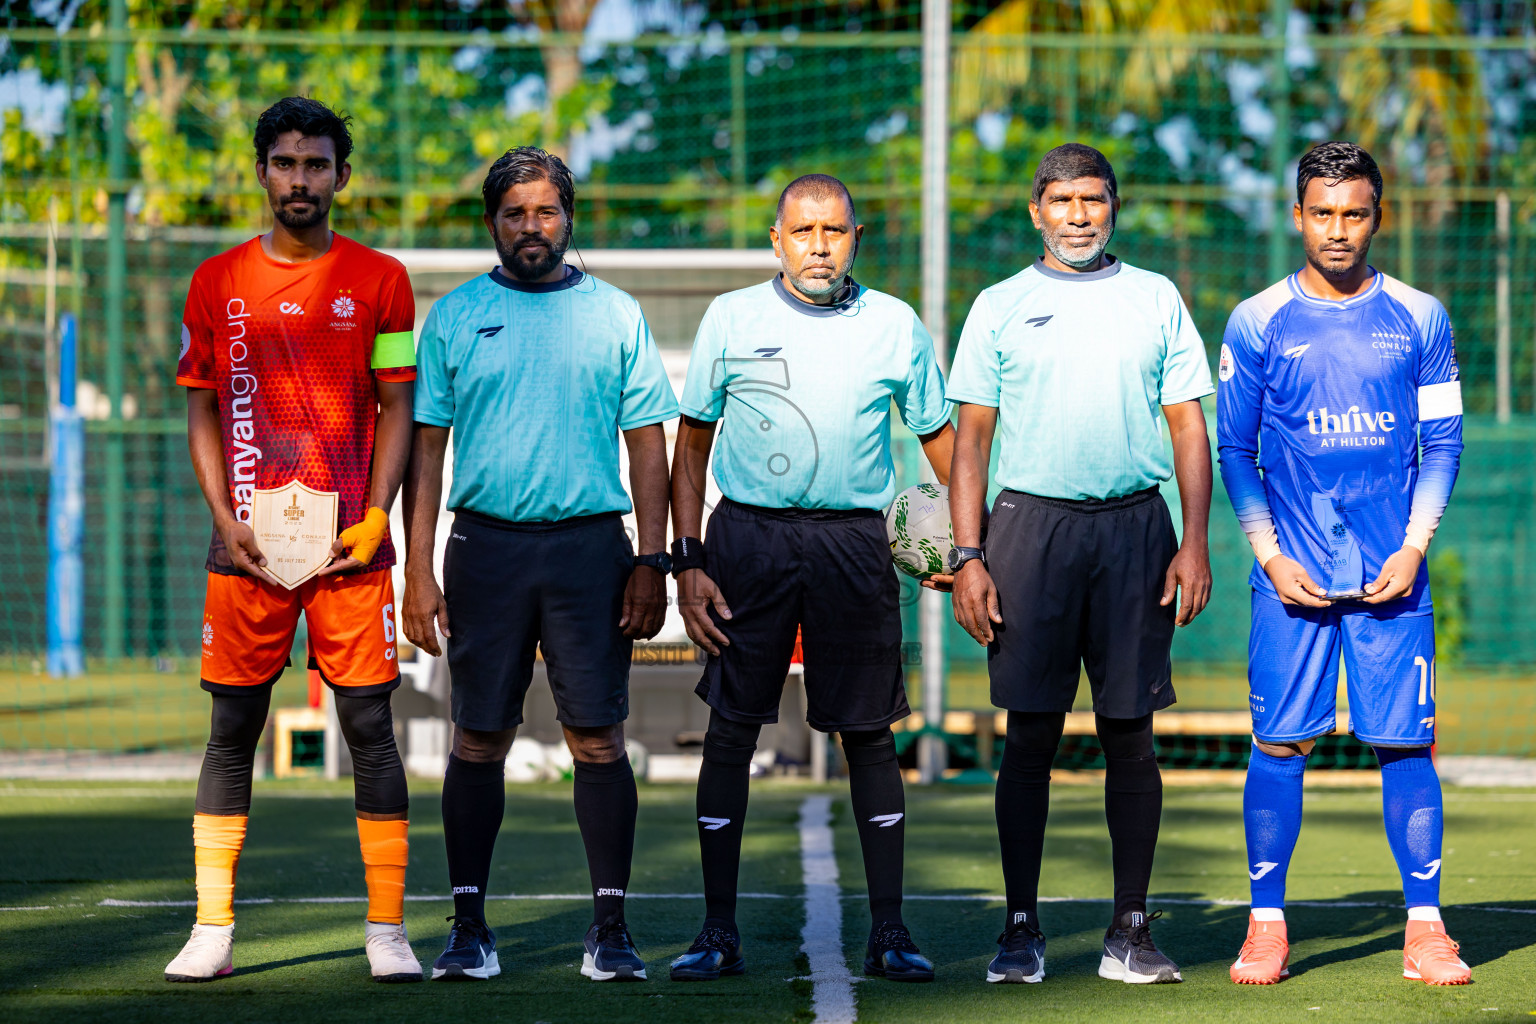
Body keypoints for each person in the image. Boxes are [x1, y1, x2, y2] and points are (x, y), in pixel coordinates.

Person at [668, 174, 953, 984]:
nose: (819, 246)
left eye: (834, 231)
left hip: (855, 544)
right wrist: (687, 558)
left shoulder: (895, 324)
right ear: (776, 240)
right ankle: (716, 932)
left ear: (856, 236)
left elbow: (940, 441)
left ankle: (890, 931)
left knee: (868, 731)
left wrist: (967, 542)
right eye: (803, 231)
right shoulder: (731, 317)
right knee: (731, 727)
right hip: (746, 540)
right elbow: (691, 445)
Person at [401, 147, 677, 983]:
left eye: (546, 210)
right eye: (515, 213)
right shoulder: (452, 317)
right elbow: (427, 450)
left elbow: (649, 448)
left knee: (597, 738)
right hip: (484, 549)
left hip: (592, 549)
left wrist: (652, 562)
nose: (532, 226)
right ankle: (469, 928)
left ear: (569, 218)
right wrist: (417, 567)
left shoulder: (616, 315)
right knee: (478, 737)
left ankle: (611, 929)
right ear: (493, 223)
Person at [946, 143, 1213, 985]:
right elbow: (972, 442)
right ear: (1036, 211)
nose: (1077, 215)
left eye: (1092, 200)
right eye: (1060, 200)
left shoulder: (1155, 298)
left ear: (1113, 207)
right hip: (1029, 532)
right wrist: (968, 556)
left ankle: (1129, 930)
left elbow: (1187, 428)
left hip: (1138, 532)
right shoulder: (999, 304)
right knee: (1029, 736)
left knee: (1131, 735)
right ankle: (1020, 931)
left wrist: (1195, 540)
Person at [167, 97, 420, 983]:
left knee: (370, 730)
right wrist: (225, 517)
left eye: (317, 164)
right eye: (286, 163)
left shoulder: (384, 279)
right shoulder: (215, 282)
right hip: (245, 547)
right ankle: (211, 928)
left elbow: (399, 406)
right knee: (231, 731)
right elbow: (200, 408)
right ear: (263, 171)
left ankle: (386, 929)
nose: (301, 178)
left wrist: (378, 513)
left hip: (351, 545)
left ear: (340, 177)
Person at [1218, 141, 1468, 986]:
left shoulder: (1422, 316)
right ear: (1296, 216)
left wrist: (1414, 545)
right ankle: (1266, 926)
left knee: (1406, 747)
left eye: (1354, 212)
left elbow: (1443, 443)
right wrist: (1269, 553)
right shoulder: (1256, 320)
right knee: (1280, 744)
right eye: (1322, 213)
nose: (1338, 229)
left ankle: (1426, 930)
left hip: (1392, 574)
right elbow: (1235, 448)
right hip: (1291, 575)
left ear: (1377, 216)